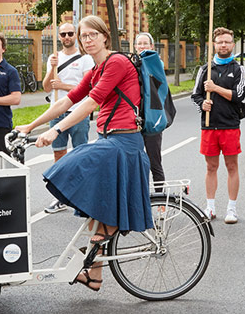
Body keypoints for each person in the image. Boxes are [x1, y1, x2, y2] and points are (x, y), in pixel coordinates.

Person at [16, 16, 153, 293]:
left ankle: (106, 233)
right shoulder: (96, 69)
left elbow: (91, 102)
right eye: (83, 36)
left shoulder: (116, 62)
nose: (87, 40)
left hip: (124, 144)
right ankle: (95, 275)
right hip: (109, 140)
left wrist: (56, 131)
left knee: (71, 166)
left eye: (92, 35)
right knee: (98, 206)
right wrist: (30, 126)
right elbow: (67, 101)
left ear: (105, 37)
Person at [191, 27, 245, 224]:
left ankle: (232, 209)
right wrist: (202, 104)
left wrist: (215, 88)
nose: (223, 45)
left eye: (227, 42)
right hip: (209, 126)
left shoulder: (239, 69)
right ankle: (210, 207)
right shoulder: (204, 70)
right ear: (213, 45)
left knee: (232, 166)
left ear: (232, 44)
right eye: (220, 42)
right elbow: (195, 95)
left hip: (230, 125)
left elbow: (238, 95)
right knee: (211, 167)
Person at [41, 22, 94, 214]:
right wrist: (51, 69)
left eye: (70, 33)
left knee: (80, 153)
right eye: (63, 34)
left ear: (75, 35)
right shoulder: (54, 57)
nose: (67, 37)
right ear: (59, 36)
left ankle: (82, 194)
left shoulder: (85, 58)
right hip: (57, 111)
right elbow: (46, 87)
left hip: (78, 112)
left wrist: (63, 86)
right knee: (59, 154)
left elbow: (88, 87)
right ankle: (61, 195)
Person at [134, 32, 166, 191]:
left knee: (155, 161)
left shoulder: (156, 63)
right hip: (134, 119)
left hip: (152, 118)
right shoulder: (131, 63)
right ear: (135, 47)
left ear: (152, 46)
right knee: (138, 162)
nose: (142, 46)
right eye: (139, 44)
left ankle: (160, 198)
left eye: (145, 43)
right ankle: (141, 197)